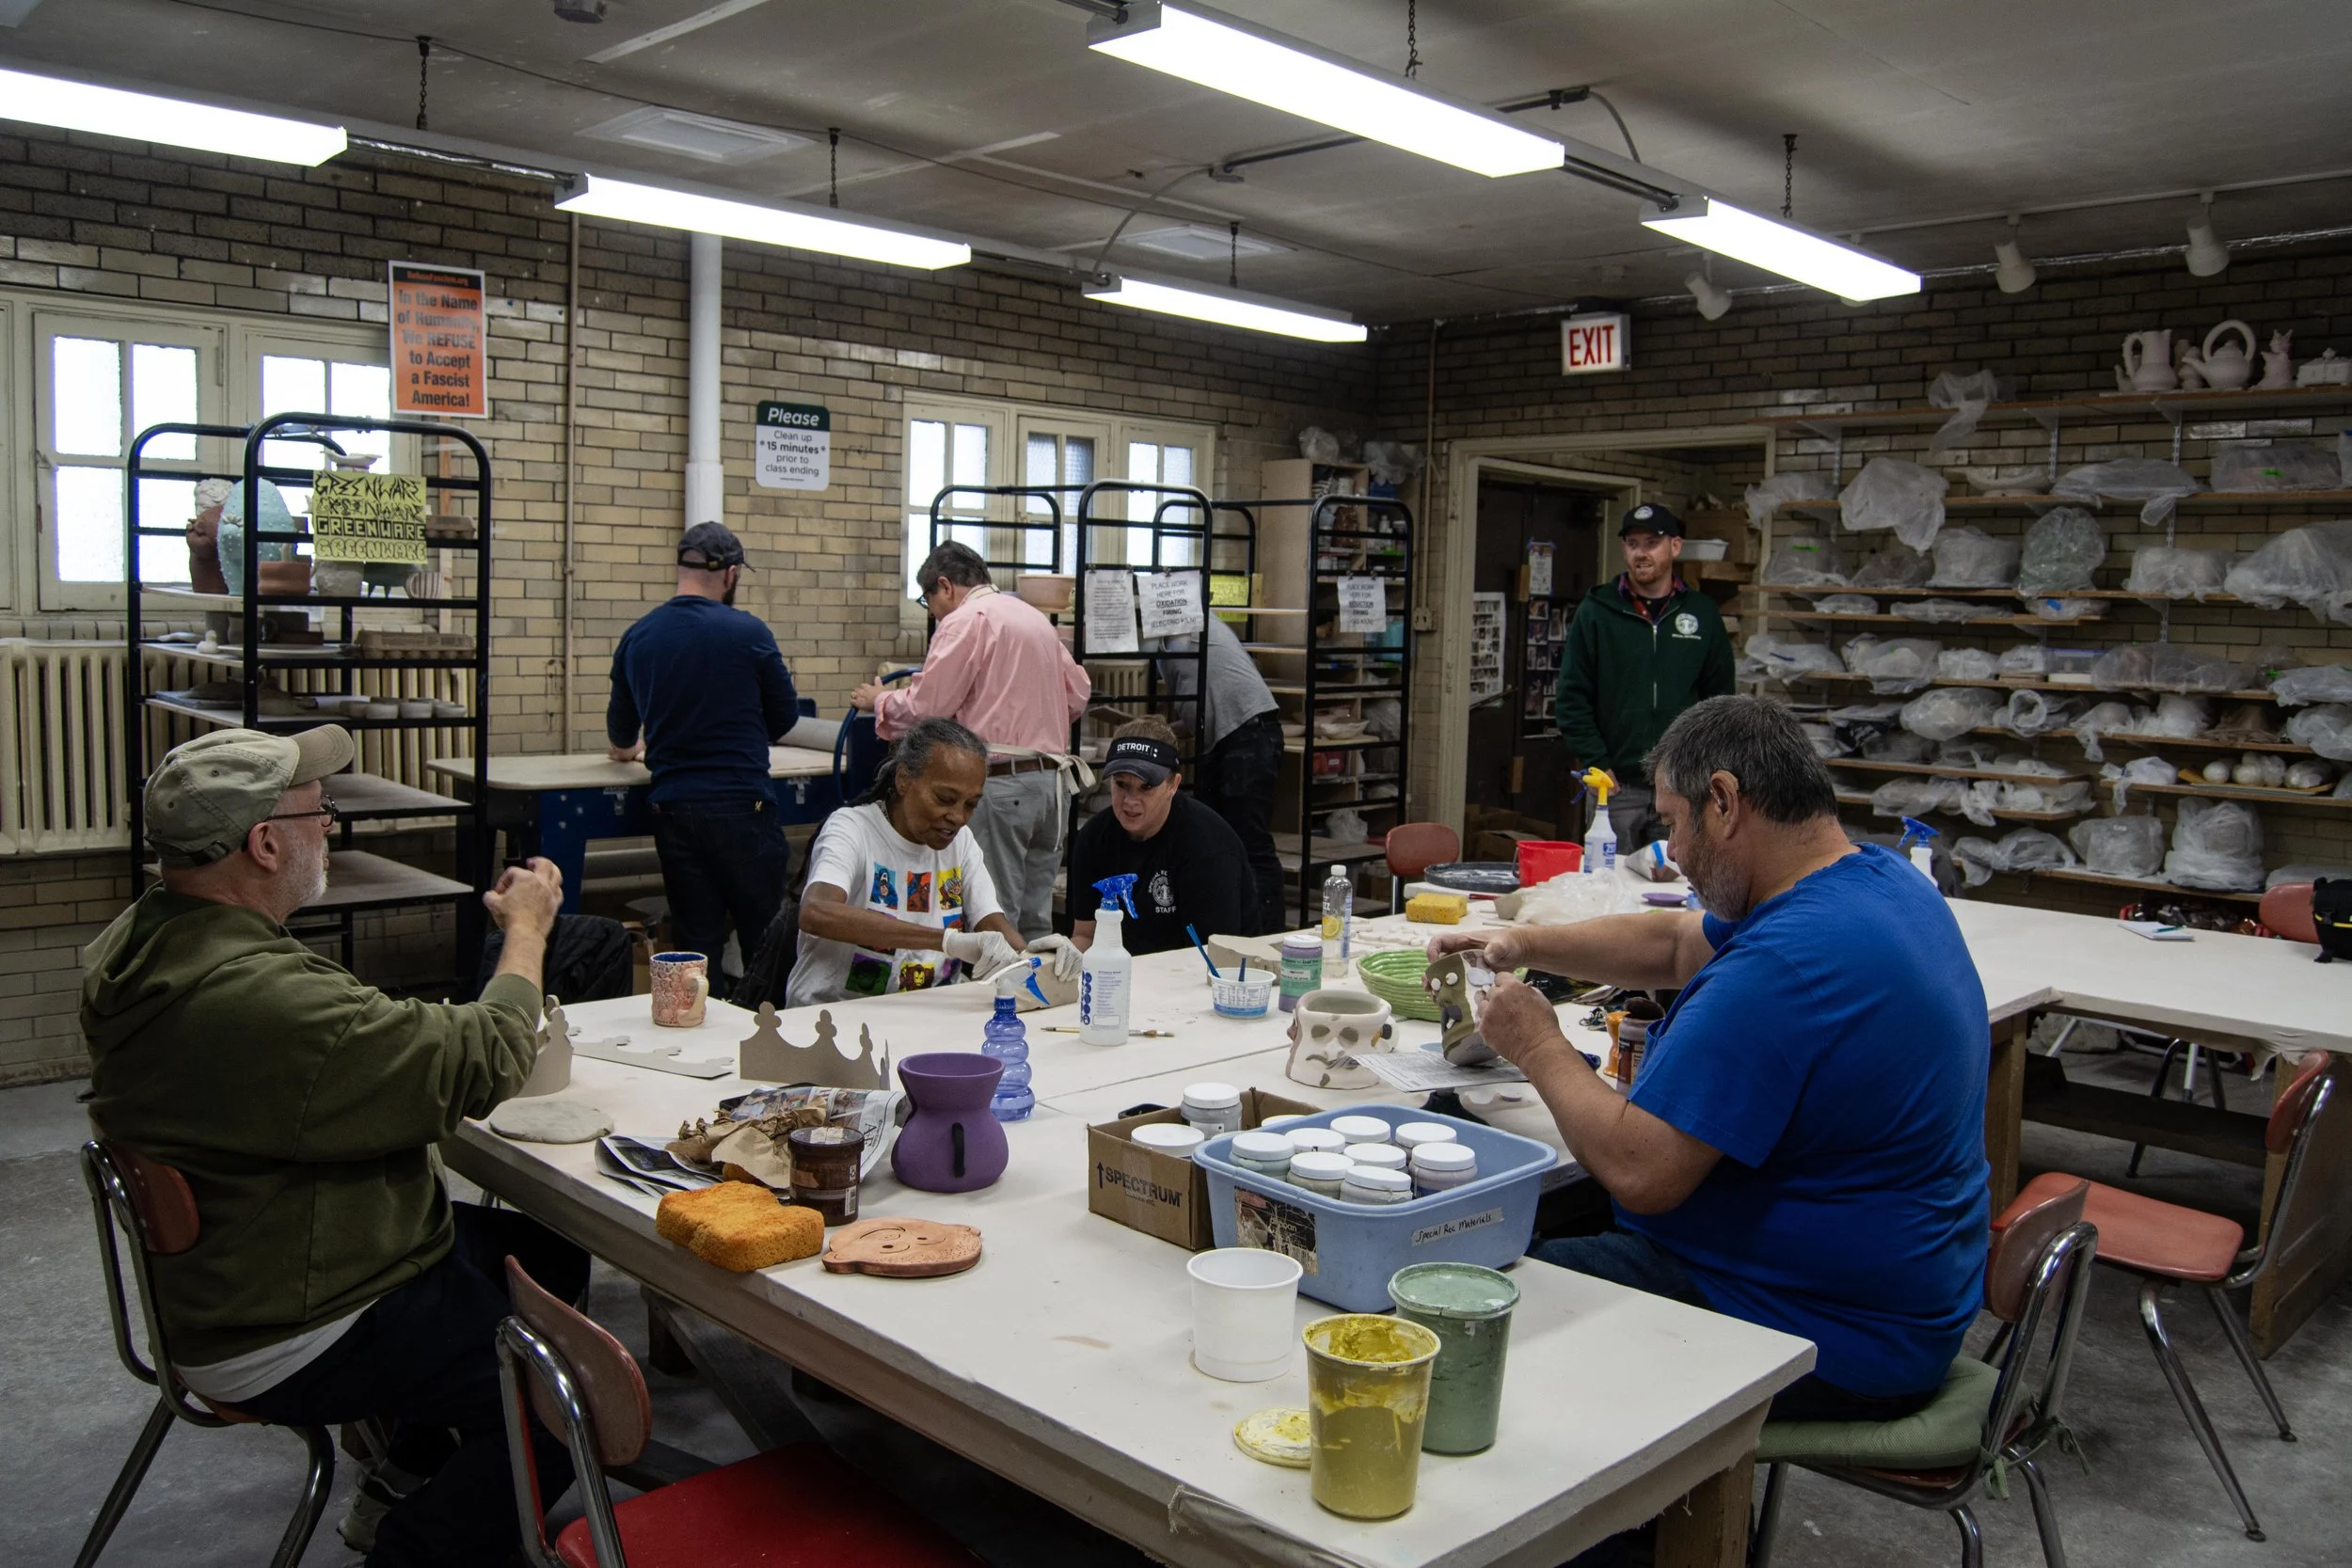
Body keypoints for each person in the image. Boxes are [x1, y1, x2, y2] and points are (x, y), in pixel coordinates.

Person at [80, 727, 585, 1567]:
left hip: (241, 1269)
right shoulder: (260, 999)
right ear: (265, 842)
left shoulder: (147, 940)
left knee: (545, 1255)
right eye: (321, 811)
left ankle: (408, 1463)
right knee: (568, 1385)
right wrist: (526, 933)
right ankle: (415, 1547)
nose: (330, 827)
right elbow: (487, 1056)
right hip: (296, 1315)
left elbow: (337, 1053)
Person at [1428, 695, 1988, 1423]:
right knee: (1549, 1220)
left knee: (1477, 1292)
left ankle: (1615, 1531)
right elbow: (1674, 943)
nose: (1674, 854)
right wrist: (1526, 944)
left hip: (1823, 1330)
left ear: (1723, 802)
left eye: (1672, 824)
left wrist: (1537, 1042)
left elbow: (1641, 1171)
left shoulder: (1788, 964)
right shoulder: (1878, 882)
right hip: (1902, 1297)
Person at [852, 542, 1089, 941]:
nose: (932, 613)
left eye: (928, 601)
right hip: (1050, 785)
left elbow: (929, 708)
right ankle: (1044, 995)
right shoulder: (1033, 619)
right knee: (1036, 918)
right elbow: (1078, 691)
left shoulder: (967, 620)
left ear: (944, 586)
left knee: (994, 914)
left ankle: (1001, 1000)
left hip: (999, 786)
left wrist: (881, 702)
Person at [608, 521, 800, 983]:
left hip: (673, 810)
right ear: (731, 574)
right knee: (766, 936)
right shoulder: (749, 633)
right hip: (744, 805)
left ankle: (695, 1035)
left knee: (695, 945)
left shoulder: (639, 636)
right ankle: (770, 1035)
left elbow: (620, 738)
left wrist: (638, 747)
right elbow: (785, 719)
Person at [787, 717, 1029, 1006]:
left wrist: (1033, 958)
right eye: (944, 798)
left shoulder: (961, 842)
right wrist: (946, 941)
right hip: (836, 1015)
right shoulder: (853, 829)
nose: (958, 817)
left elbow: (990, 922)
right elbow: (816, 912)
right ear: (903, 779)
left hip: (927, 1014)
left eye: (970, 804)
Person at [1553, 501, 1735, 850]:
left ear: (1675, 546)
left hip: (1681, 786)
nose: (1641, 553)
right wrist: (1596, 760)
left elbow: (1721, 702)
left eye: (1651, 542)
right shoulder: (1597, 611)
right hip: (1616, 785)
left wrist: (1703, 767)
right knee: (1608, 883)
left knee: (1677, 883)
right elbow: (1572, 696)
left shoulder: (1702, 613)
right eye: (1632, 543)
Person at [1046, 717, 1258, 965]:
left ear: (1173, 785)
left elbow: (1213, 958)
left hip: (1203, 972)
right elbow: (1086, 935)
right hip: (1124, 972)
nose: (1130, 801)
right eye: (1121, 785)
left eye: (1146, 787)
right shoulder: (1095, 838)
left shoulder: (1206, 846)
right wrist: (1058, 960)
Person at [1156, 612, 1283, 933]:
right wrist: (1159, 732)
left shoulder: (1184, 629)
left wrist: (1160, 733)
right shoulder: (1176, 634)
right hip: (1235, 733)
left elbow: (1203, 707)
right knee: (1214, 834)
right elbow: (1199, 712)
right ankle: (1224, 929)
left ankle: (1267, 938)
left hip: (1248, 733)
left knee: (1249, 840)